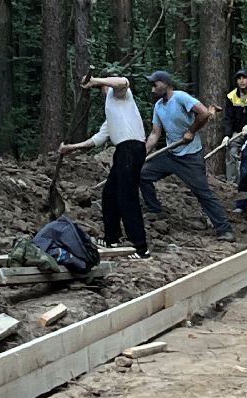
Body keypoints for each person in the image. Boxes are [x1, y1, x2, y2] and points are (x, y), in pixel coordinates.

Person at [58, 75, 150, 258]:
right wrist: (71, 148)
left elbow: (122, 82)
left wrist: (96, 81)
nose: (103, 90)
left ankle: (141, 248)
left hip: (131, 149)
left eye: (104, 86)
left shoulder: (121, 95)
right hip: (124, 151)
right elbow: (98, 138)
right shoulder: (114, 111)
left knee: (127, 197)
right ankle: (111, 238)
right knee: (109, 193)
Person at [140, 70, 236, 242]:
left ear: (165, 83)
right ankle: (154, 210)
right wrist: (142, 155)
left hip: (190, 156)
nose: (153, 89)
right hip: (171, 154)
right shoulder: (158, 107)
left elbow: (204, 113)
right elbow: (155, 133)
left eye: (155, 85)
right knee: (143, 174)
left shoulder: (181, 97)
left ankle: (225, 230)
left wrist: (191, 131)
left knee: (202, 192)